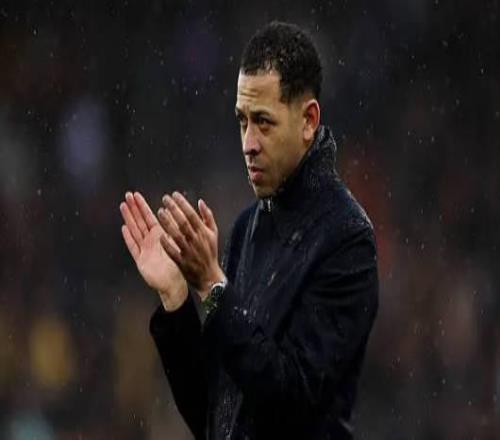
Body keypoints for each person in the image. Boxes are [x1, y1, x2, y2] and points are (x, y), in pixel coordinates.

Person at [119, 21, 378, 440]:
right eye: (242, 122)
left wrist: (212, 286)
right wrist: (177, 298)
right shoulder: (246, 230)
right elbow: (215, 417)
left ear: (308, 120)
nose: (248, 143)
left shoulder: (347, 239)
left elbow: (291, 402)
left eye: (263, 122)